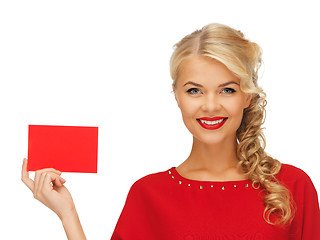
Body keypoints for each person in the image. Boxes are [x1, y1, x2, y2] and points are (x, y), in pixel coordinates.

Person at [22, 23, 320, 239]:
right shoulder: (148, 195)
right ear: (176, 95)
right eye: (195, 91)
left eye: (227, 90)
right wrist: (68, 214)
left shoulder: (293, 187)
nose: (211, 106)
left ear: (248, 96)